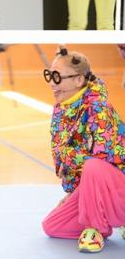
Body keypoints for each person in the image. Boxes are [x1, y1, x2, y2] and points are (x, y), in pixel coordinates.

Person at [41, 46, 125, 253]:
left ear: (79, 80)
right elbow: (66, 160)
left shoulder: (98, 107)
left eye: (58, 77)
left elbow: (105, 161)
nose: (51, 83)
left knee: (93, 165)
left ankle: (96, 228)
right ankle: (107, 220)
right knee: (53, 225)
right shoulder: (61, 109)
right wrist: (74, 194)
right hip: (97, 184)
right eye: (50, 75)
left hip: (117, 183)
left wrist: (71, 159)